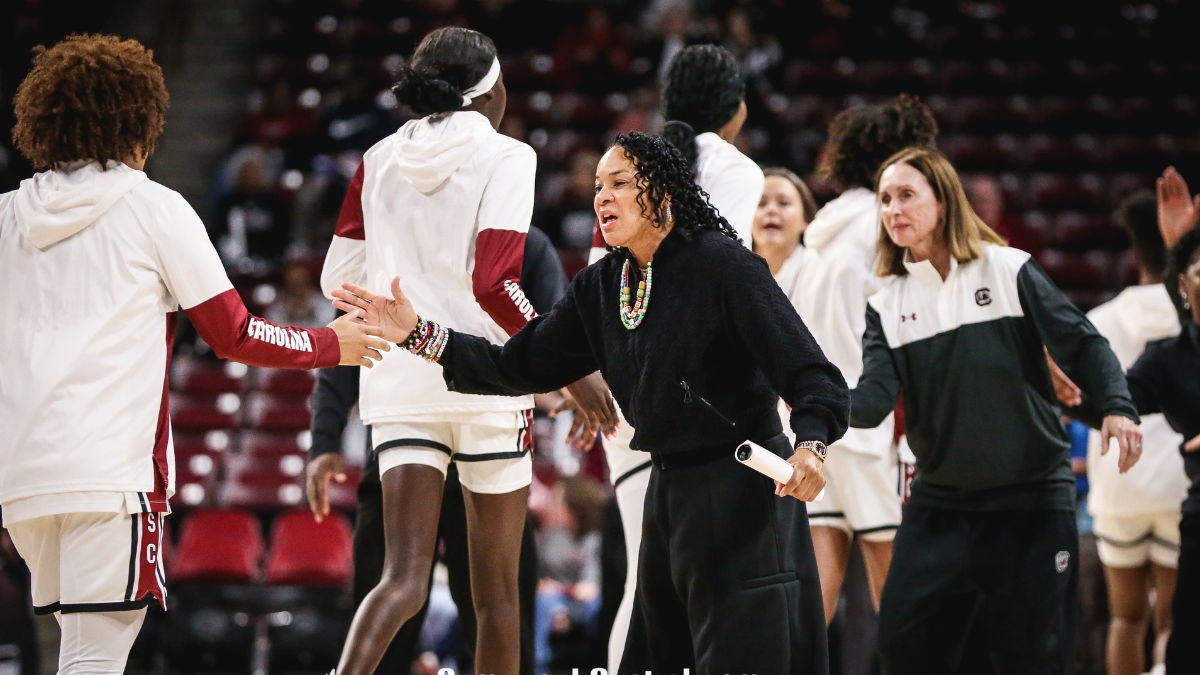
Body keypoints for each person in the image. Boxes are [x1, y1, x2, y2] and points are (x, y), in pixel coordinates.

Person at [332, 131, 850, 674]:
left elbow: (812, 373)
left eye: (620, 183)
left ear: (664, 193)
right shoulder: (603, 285)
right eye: (599, 186)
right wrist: (418, 333)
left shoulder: (726, 267)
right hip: (668, 491)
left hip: (744, 488)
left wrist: (811, 445)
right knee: (654, 658)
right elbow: (515, 367)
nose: (602, 196)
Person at [0, 34, 384, 674]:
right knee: (95, 656)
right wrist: (328, 343)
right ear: (138, 119)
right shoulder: (154, 208)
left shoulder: (8, 215)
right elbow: (233, 333)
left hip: (23, 474)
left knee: (78, 649)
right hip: (111, 472)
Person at [318, 27, 613, 675]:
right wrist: (558, 356)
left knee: (400, 579)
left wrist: (406, 288)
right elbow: (494, 280)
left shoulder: (375, 159)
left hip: (399, 380)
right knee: (497, 594)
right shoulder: (508, 155)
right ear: (490, 90)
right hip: (487, 382)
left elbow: (335, 277)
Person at [850, 146, 1142, 674]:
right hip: (941, 507)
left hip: (1030, 502)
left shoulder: (1006, 269)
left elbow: (1082, 343)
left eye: (907, 196)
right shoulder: (884, 302)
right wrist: (812, 399)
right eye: (886, 199)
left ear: (943, 203)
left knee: (1030, 656)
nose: (893, 209)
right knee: (900, 644)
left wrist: (1118, 407)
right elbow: (870, 403)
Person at [306, 226, 571, 674]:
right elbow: (350, 332)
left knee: (424, 591)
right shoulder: (393, 231)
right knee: (491, 603)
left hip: (415, 418)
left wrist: (561, 378)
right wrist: (325, 439)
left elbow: (555, 327)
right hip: (475, 417)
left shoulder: (524, 243)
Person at [582, 44, 767, 670]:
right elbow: (724, 286)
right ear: (737, 110)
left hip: (624, 386)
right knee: (710, 585)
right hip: (701, 399)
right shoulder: (738, 172)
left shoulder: (625, 165)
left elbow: (598, 282)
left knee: (645, 579)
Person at [795, 94, 938, 624]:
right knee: (900, 589)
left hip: (818, 428)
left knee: (816, 601)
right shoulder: (887, 225)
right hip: (876, 426)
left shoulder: (821, 235)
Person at [1084, 192, 1186, 675]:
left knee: (1125, 618)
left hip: (1117, 484)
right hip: (1178, 485)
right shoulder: (1191, 321)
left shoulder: (1097, 322)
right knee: (1172, 623)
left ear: (1134, 255)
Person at [752, 166, 818, 321]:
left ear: (805, 220)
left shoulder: (820, 269)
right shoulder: (733, 271)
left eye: (783, 203)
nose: (771, 210)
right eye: (761, 203)